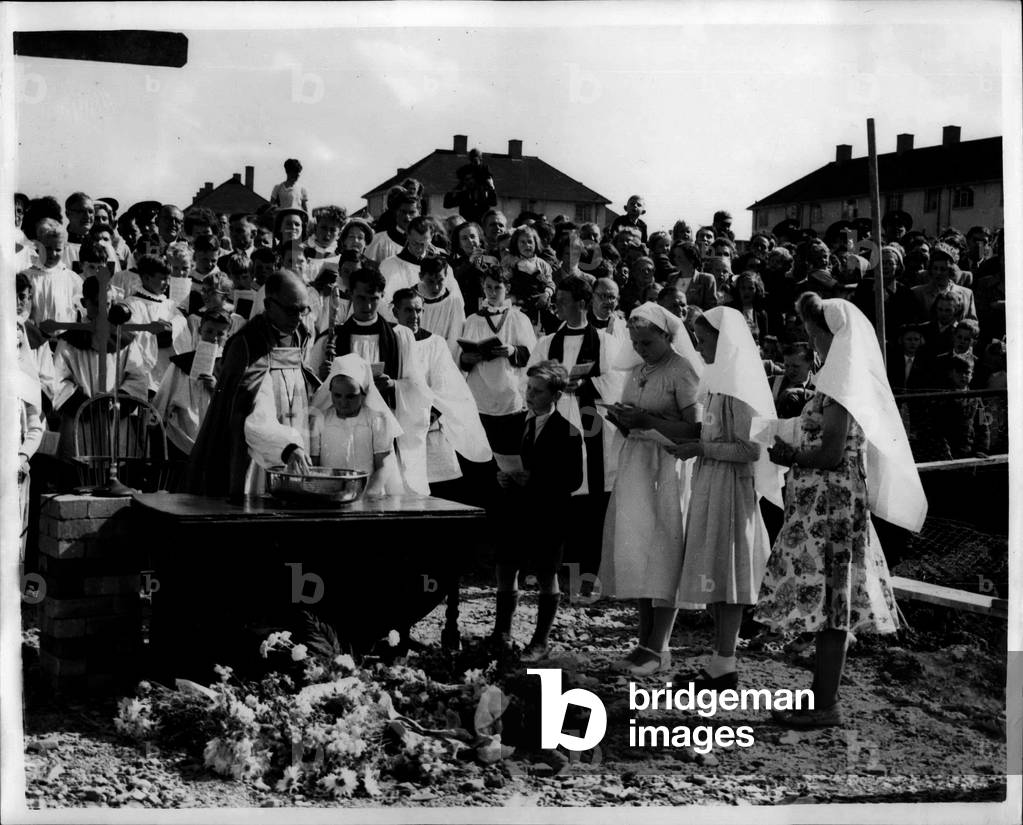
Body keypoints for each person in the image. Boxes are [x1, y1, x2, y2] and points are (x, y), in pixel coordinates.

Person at [757, 295, 925, 727]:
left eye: (815, 333)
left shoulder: (840, 385)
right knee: (830, 598)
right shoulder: (837, 381)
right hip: (825, 502)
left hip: (830, 504)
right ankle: (819, 695)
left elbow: (832, 453)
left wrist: (789, 453)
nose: (811, 341)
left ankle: (826, 702)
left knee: (833, 601)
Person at [669, 306, 783, 692]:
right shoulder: (717, 385)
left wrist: (700, 447)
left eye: (705, 340)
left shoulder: (739, 392)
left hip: (732, 488)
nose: (700, 347)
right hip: (711, 482)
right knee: (715, 571)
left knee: (729, 572)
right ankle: (720, 662)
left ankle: (726, 661)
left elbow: (749, 451)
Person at [598, 303, 703, 676]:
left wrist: (647, 420)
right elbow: (631, 413)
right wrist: (623, 418)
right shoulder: (639, 369)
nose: (641, 349)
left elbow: (695, 430)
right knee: (640, 551)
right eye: (636, 342)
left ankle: (658, 647)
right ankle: (644, 644)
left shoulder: (682, 370)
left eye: (647, 342)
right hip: (636, 465)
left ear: (666, 335)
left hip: (668, 466)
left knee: (664, 553)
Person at [186, 270, 319, 498]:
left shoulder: (301, 334)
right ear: (268, 304)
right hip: (256, 449)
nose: (297, 317)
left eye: (303, 309)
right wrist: (286, 446)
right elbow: (251, 411)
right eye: (291, 309)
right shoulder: (247, 344)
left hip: (297, 430)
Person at [528, 276, 623, 584]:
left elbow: (619, 384)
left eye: (564, 300)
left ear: (582, 304)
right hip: (556, 422)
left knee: (589, 498)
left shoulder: (606, 343)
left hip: (590, 422)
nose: (557, 305)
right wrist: (552, 385)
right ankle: (551, 570)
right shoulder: (546, 343)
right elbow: (527, 383)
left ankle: (587, 572)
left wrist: (587, 384)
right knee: (555, 494)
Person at [491, 361, 583, 661]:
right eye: (528, 389)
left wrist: (536, 479)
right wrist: (502, 477)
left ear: (555, 396)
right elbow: (502, 459)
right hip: (513, 511)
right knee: (506, 567)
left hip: (547, 514)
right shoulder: (513, 423)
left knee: (546, 573)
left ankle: (540, 640)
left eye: (539, 391)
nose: (530, 395)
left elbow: (573, 479)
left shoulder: (568, 432)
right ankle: (501, 633)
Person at [318, 267, 433, 494]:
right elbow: (317, 393)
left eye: (374, 299)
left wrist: (393, 385)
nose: (368, 306)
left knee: (383, 493)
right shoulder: (333, 337)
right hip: (344, 428)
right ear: (350, 294)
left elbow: (418, 388)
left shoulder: (401, 335)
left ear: (382, 297)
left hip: (383, 424)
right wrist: (325, 377)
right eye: (361, 298)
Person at [393, 288, 492, 497]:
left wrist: (430, 413)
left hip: (430, 423)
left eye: (418, 310)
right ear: (395, 312)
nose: (414, 316)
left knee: (439, 490)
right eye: (408, 310)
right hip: (399, 425)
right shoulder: (390, 341)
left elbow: (445, 385)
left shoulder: (434, 343)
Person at [52, 275, 151, 458]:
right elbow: (57, 379)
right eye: (97, 303)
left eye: (108, 304)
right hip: (80, 419)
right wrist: (84, 404)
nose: (103, 311)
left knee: (114, 467)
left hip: (114, 419)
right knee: (80, 468)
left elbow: (137, 377)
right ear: (85, 302)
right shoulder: (69, 340)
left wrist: (118, 400)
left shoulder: (125, 340)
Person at [459, 266, 536, 455]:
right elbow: (462, 359)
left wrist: (513, 350)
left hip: (509, 392)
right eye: (488, 287)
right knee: (486, 451)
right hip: (481, 392)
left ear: (507, 288)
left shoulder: (519, 318)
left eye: (497, 288)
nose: (492, 293)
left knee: (510, 450)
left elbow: (533, 355)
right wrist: (467, 358)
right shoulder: (472, 320)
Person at [309, 354, 404, 497]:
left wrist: (368, 494)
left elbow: (384, 465)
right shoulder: (319, 420)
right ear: (330, 393)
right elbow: (314, 466)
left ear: (363, 393)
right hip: (329, 494)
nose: (343, 402)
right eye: (337, 395)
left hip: (369, 494)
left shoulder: (376, 419)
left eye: (351, 396)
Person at [152, 309, 233, 459]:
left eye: (220, 334)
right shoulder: (182, 363)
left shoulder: (229, 367)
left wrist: (217, 388)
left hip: (214, 435)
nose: (214, 338)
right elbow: (162, 401)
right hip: (181, 434)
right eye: (209, 331)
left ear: (228, 335)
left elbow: (235, 404)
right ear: (201, 330)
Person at [125, 254, 192, 394]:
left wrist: (172, 328)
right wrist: (157, 336)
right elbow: (131, 340)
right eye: (162, 279)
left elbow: (182, 329)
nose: (167, 283)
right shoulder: (131, 305)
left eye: (168, 278)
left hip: (169, 372)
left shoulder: (170, 305)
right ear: (146, 278)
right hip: (146, 374)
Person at [24, 218, 82, 330]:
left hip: (64, 340)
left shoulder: (72, 278)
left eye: (58, 249)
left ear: (65, 248)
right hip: (35, 339)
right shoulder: (28, 276)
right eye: (47, 248)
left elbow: (81, 309)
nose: (52, 254)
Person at [412, 255, 465, 357]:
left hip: (442, 357)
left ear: (446, 276)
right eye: (430, 281)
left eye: (440, 281)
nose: (436, 287)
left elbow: (455, 337)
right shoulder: (410, 298)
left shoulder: (453, 301)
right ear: (421, 276)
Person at [910, 241, 977, 322]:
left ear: (950, 271)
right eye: (935, 268)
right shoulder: (918, 293)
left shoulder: (966, 294)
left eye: (943, 269)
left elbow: (972, 323)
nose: (938, 273)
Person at [365, 192, 419, 264]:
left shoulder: (425, 244)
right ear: (396, 212)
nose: (407, 217)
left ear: (418, 213)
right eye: (403, 212)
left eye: (412, 212)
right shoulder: (378, 241)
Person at [772, 342, 816, 418]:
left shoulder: (819, 389)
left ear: (810, 365)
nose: (790, 370)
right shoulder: (772, 383)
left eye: (795, 366)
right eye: (787, 366)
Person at [588, 277, 628, 344]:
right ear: (592, 297)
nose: (608, 301)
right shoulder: (580, 323)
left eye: (612, 297)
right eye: (603, 296)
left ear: (617, 301)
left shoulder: (622, 325)